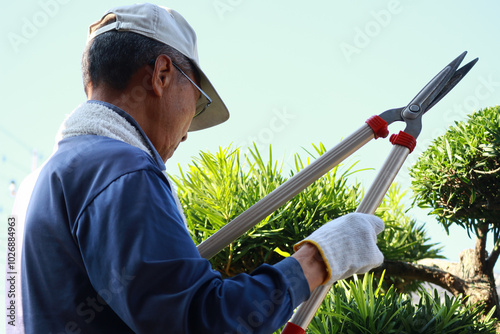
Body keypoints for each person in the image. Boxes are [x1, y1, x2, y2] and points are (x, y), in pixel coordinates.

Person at [7, 3, 385, 333]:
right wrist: (319, 259)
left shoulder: (30, 191)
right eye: (198, 104)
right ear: (162, 75)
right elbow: (201, 322)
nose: (187, 134)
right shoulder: (122, 170)